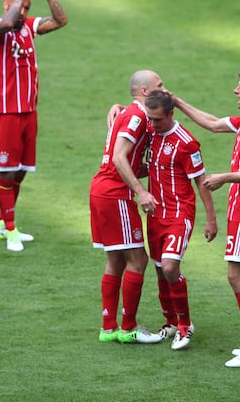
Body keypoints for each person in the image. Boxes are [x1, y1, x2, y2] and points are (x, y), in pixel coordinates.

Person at [172, 68, 240, 366]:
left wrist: (224, 177)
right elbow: (214, 124)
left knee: (236, 275)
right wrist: (178, 102)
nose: (236, 91)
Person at [0, 0, 68, 252]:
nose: (23, 13)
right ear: (7, 5)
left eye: (26, 8)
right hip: (4, 113)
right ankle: (10, 229)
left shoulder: (29, 28)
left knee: (20, 171)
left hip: (29, 113)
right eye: (19, 7)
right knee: (6, 172)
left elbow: (61, 20)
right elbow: (6, 24)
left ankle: (1, 224)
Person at [90, 70, 164, 344]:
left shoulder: (128, 113)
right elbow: (120, 157)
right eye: (159, 85)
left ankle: (108, 328)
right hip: (115, 193)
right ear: (144, 91)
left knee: (116, 260)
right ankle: (128, 328)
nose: (163, 89)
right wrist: (141, 191)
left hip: (103, 190)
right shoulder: (137, 116)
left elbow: (125, 159)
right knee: (138, 260)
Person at [143, 90, 217, 350]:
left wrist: (211, 219)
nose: (153, 124)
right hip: (154, 215)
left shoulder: (187, 143)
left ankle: (185, 326)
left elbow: (201, 182)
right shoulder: (150, 133)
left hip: (179, 214)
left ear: (171, 114)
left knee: (170, 267)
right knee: (159, 269)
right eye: (150, 119)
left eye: (158, 120)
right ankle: (170, 321)